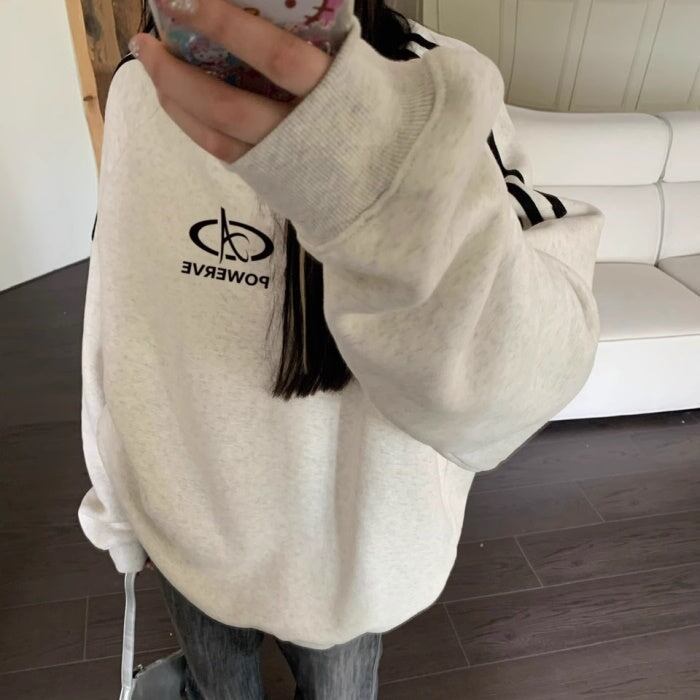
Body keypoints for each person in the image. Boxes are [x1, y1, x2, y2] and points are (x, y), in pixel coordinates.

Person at [78, 0, 605, 697]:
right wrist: (119, 509)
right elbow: (118, 319)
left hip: (347, 562)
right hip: (184, 526)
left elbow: (527, 378)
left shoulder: (432, 91)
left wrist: (377, 183)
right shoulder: (140, 86)